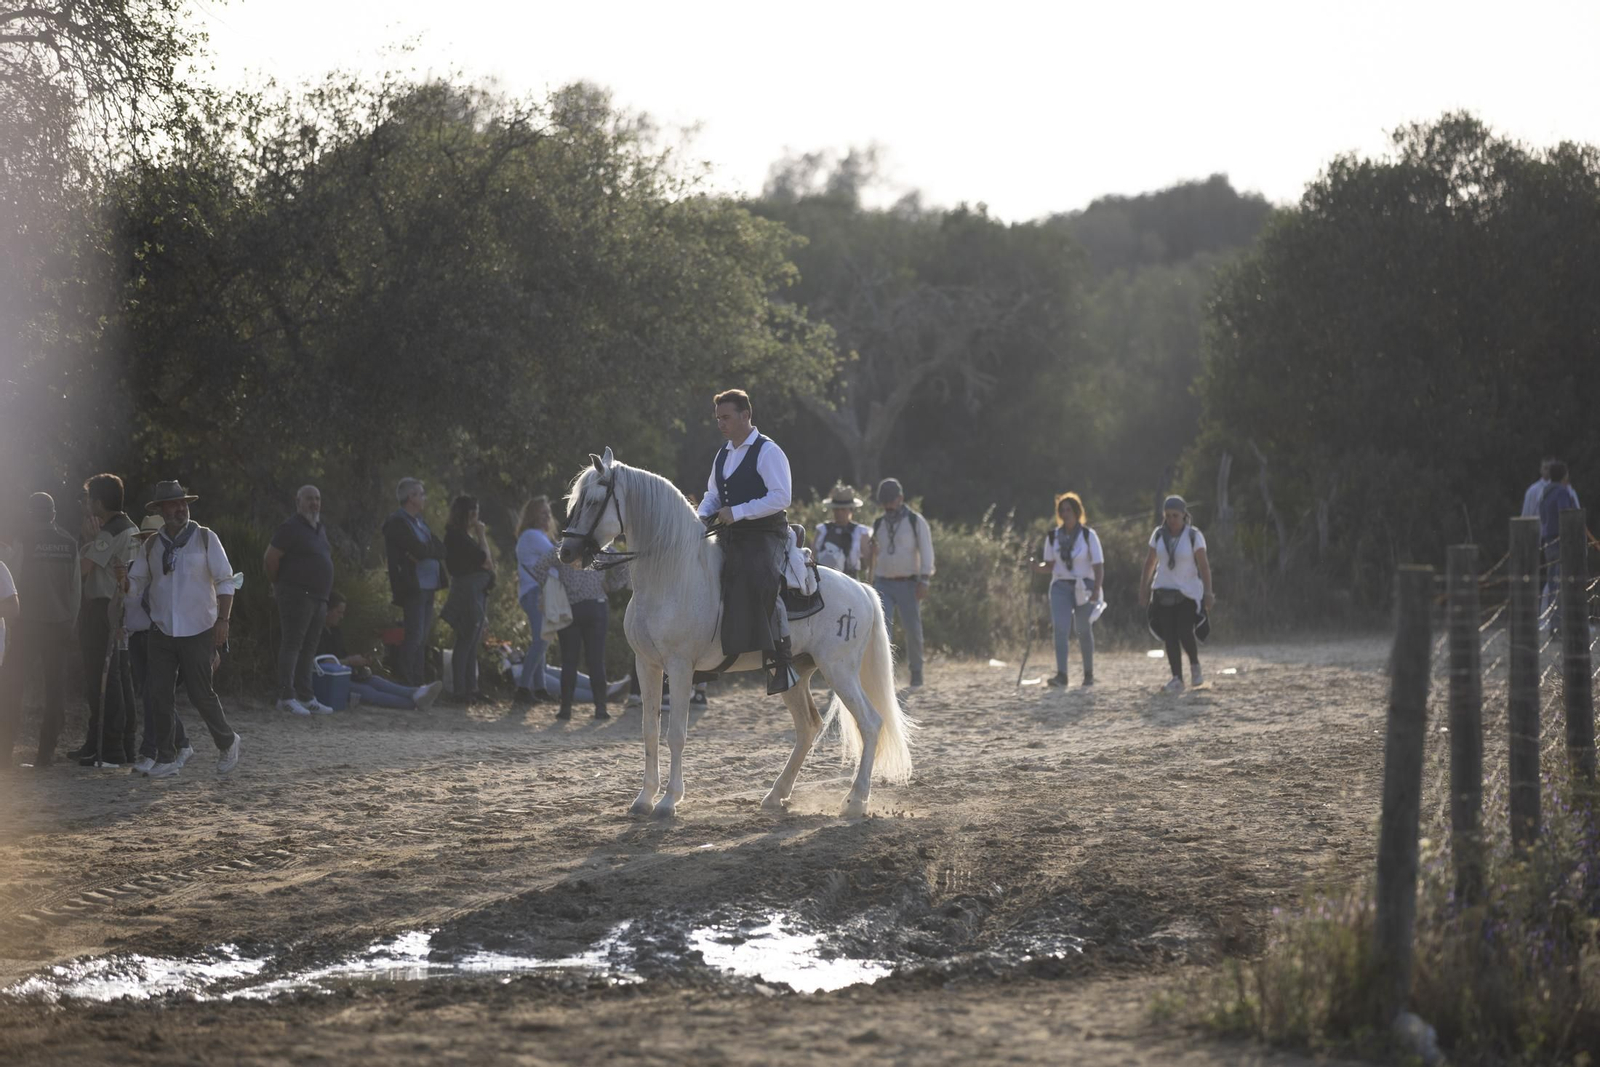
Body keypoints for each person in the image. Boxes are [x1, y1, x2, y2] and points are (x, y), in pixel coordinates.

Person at [126, 481, 242, 778]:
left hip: (199, 628)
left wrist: (223, 622)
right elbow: (136, 583)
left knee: (200, 693)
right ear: (162, 510)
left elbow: (225, 582)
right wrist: (123, 582)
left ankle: (227, 741)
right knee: (157, 693)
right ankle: (166, 757)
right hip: (162, 630)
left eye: (183, 503)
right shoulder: (151, 545)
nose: (180, 509)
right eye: (173, 505)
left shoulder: (205, 538)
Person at [695, 388, 797, 695]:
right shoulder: (723, 453)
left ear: (745, 415)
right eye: (718, 419)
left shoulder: (768, 451)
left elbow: (781, 497)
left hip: (766, 533)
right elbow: (713, 494)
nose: (721, 424)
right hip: (732, 532)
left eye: (726, 417)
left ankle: (782, 655)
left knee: (757, 574)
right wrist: (699, 518)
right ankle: (703, 655)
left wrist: (738, 512)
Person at [0, 493, 81, 768]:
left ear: (30, 515)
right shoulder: (70, 544)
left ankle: (5, 752)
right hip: (59, 625)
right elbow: (76, 590)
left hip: (26, 624)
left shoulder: (25, 540)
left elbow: (11, 579)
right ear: (53, 515)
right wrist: (70, 621)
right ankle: (45, 755)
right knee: (55, 690)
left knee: (12, 686)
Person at [71, 474, 140, 767]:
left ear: (98, 502)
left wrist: (87, 540)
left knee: (103, 679)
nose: (86, 506)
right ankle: (118, 745)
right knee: (120, 678)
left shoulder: (110, 531)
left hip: (104, 609)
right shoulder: (131, 526)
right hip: (122, 608)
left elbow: (83, 569)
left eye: (89, 500)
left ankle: (109, 748)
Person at [125, 514, 192, 774]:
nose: (146, 544)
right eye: (143, 539)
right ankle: (182, 742)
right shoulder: (133, 568)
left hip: (157, 636)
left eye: (150, 539)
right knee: (152, 695)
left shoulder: (166, 568)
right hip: (135, 637)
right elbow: (126, 601)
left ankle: (150, 750)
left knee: (155, 695)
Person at [530, 548, 628, 721]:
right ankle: (600, 708)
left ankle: (566, 709)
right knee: (596, 660)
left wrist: (554, 586)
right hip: (596, 605)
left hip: (570, 606)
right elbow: (624, 564)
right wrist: (612, 585)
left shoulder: (565, 547)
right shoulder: (601, 547)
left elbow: (538, 567)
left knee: (569, 661)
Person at [264, 485, 335, 717]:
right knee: (292, 645)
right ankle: (286, 697)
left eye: (317, 498)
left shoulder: (319, 528)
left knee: (309, 648)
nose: (314, 503)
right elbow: (271, 558)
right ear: (298, 502)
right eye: (309, 499)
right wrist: (278, 585)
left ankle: (306, 696)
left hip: (319, 598)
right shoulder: (290, 527)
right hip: (296, 596)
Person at [1139, 495, 1215, 693]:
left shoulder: (1193, 535)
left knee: (1184, 631)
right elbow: (1150, 563)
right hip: (1163, 590)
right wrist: (1144, 589)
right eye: (1168, 515)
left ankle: (1195, 665)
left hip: (1188, 591)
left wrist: (1208, 592)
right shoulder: (1158, 535)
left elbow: (1204, 566)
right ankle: (1177, 678)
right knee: (1169, 636)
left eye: (1175, 515)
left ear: (1184, 515)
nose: (1171, 519)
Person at [318, 592, 443, 710]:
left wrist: (360, 661)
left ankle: (416, 692)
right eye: (338, 612)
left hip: (346, 674)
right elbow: (322, 662)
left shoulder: (335, 631)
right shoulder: (317, 633)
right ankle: (413, 703)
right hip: (330, 680)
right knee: (369, 692)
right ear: (327, 610)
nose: (341, 616)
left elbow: (342, 656)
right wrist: (349, 661)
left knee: (376, 681)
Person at [868, 477, 935, 690]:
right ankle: (884, 673)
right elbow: (872, 555)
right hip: (883, 583)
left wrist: (924, 579)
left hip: (908, 583)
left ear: (900, 499)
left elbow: (926, 551)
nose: (887, 506)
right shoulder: (878, 523)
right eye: (884, 502)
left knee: (912, 629)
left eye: (890, 501)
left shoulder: (916, 522)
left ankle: (916, 671)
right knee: (881, 629)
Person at [1033, 492, 1104, 688]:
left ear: (1076, 511)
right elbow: (1049, 565)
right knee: (1061, 629)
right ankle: (1062, 675)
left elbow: (1098, 565)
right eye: (1061, 510)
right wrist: (1035, 567)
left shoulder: (1088, 536)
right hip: (1060, 587)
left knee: (1082, 629)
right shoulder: (1053, 536)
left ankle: (1088, 673)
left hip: (1085, 586)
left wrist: (1097, 589)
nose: (1065, 514)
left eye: (1068, 510)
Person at [383, 478, 448, 686]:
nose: (424, 497)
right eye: (420, 494)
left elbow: (441, 549)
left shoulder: (420, 521)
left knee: (422, 638)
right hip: (414, 586)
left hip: (429, 585)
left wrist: (424, 551)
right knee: (415, 635)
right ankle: (405, 681)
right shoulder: (397, 522)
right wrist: (424, 550)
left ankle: (418, 683)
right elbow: (419, 549)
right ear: (410, 497)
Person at [440, 495, 496, 705]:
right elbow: (486, 561)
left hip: (478, 591)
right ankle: (459, 690)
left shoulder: (463, 536)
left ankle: (472, 687)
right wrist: (482, 535)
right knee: (465, 640)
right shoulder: (456, 537)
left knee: (473, 642)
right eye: (473, 514)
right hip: (468, 592)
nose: (476, 518)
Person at [513, 496, 557, 706]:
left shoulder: (537, 536)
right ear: (533, 516)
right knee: (541, 640)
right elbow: (557, 557)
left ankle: (540, 688)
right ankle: (523, 687)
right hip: (534, 593)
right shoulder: (531, 535)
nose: (547, 517)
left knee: (543, 638)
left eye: (548, 513)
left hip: (538, 592)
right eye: (542, 513)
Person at [1538, 460, 1580, 634]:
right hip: (1562, 541)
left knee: (1553, 583)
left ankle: (1554, 625)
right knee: (1564, 585)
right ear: (1564, 475)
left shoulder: (1545, 492)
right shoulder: (1562, 492)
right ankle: (1561, 626)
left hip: (1548, 541)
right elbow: (1566, 516)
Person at [812, 484, 873, 580]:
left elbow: (869, 562)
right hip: (823, 581)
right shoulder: (822, 530)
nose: (839, 513)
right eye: (836, 509)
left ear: (851, 510)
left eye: (843, 509)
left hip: (849, 583)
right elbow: (812, 557)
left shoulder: (860, 532)